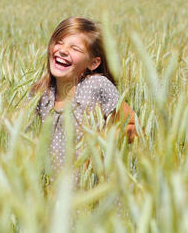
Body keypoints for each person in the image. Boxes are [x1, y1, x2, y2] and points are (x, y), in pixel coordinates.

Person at [30, 16, 136, 173]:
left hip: (94, 188)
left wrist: (102, 142)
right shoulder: (41, 93)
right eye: (59, 42)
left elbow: (134, 126)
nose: (63, 50)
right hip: (53, 189)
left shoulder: (96, 85)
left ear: (93, 63)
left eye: (75, 48)